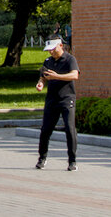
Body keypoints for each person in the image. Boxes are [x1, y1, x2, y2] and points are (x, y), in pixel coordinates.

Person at [35, 38, 79, 171]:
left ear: (60, 46)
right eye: (49, 50)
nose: (51, 52)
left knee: (70, 129)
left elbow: (74, 75)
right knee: (45, 130)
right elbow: (43, 75)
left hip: (66, 98)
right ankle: (42, 158)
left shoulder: (70, 59)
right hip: (52, 99)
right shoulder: (48, 61)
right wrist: (41, 83)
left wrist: (57, 76)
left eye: (53, 49)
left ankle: (72, 161)